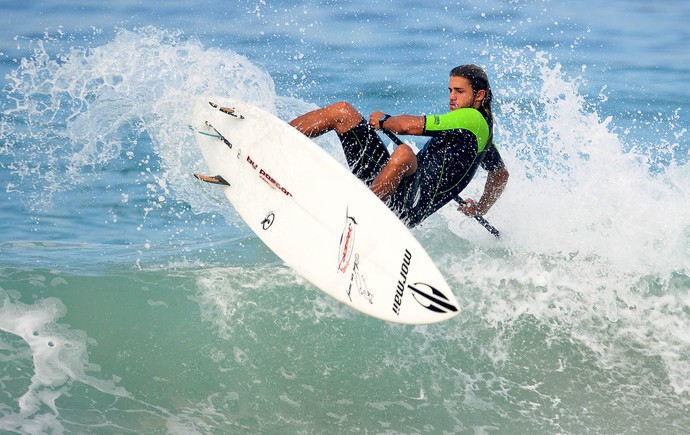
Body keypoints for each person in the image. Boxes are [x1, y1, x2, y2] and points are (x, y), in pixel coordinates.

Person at [289, 64, 509, 228]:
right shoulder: (482, 136)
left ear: (479, 96)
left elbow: (408, 127)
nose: (452, 97)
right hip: (390, 187)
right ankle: (277, 137)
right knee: (342, 112)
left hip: (408, 206)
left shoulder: (472, 118)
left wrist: (385, 121)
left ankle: (360, 221)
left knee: (404, 153)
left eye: (459, 92)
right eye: (450, 90)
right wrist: (481, 208)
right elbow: (500, 174)